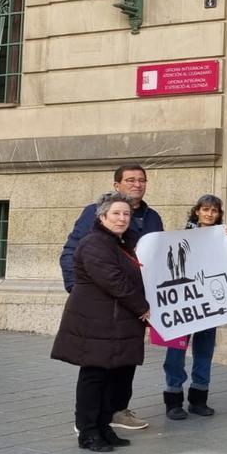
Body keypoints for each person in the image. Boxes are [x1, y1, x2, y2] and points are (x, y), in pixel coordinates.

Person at [58, 164, 161, 431]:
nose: (137, 184)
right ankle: (89, 423)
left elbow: (162, 256)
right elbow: (73, 251)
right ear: (116, 185)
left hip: (131, 308)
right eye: (130, 180)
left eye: (141, 180)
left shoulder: (153, 218)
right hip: (105, 306)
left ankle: (116, 411)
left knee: (125, 363)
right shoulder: (95, 217)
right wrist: (77, 287)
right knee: (97, 366)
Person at [162, 195, 227, 420]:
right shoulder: (181, 236)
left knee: (204, 352)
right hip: (182, 304)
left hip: (208, 304)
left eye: (214, 210)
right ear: (197, 212)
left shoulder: (223, 238)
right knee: (175, 353)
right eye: (205, 209)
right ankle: (173, 400)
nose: (209, 214)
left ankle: (198, 399)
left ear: (219, 214)